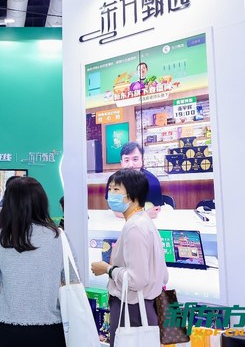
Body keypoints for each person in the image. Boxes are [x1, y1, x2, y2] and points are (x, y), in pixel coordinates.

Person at [0, 177, 66, 347]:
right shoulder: (58, 237)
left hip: (9, 329)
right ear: (42, 202)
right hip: (50, 329)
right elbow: (70, 280)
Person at [91, 169, 168, 347]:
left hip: (132, 309)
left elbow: (137, 280)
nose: (111, 194)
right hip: (145, 307)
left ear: (133, 194)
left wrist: (107, 269)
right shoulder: (144, 221)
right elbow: (163, 275)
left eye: (116, 190)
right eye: (110, 189)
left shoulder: (134, 227)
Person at [106, 141, 163, 216]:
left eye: (135, 159)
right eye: (126, 160)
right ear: (122, 163)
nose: (131, 165)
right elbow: (116, 211)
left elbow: (155, 211)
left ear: (142, 160)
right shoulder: (114, 181)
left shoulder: (152, 183)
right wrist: (144, 214)